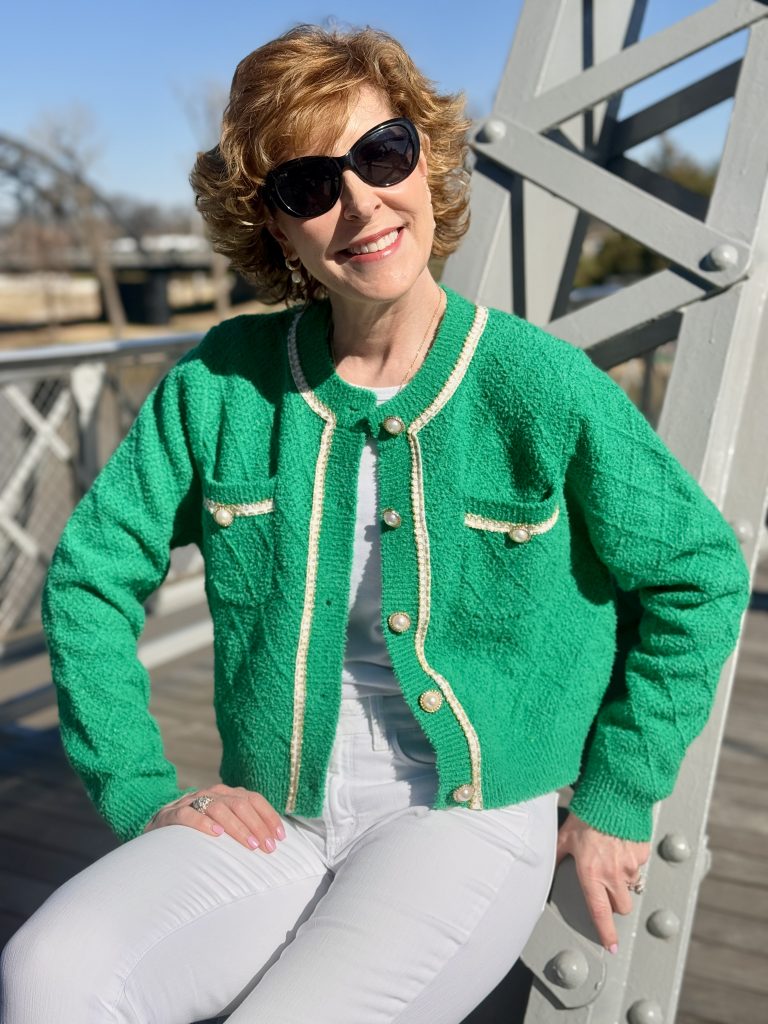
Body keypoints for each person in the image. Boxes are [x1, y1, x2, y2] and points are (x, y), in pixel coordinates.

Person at [0, 23, 751, 1024]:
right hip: (279, 809)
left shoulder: (536, 384)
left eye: (381, 153)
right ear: (274, 227)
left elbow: (700, 571)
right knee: (48, 974)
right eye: (308, 187)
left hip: (464, 816)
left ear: (427, 160)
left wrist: (620, 788)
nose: (358, 201)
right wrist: (139, 787)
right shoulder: (221, 384)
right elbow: (90, 575)